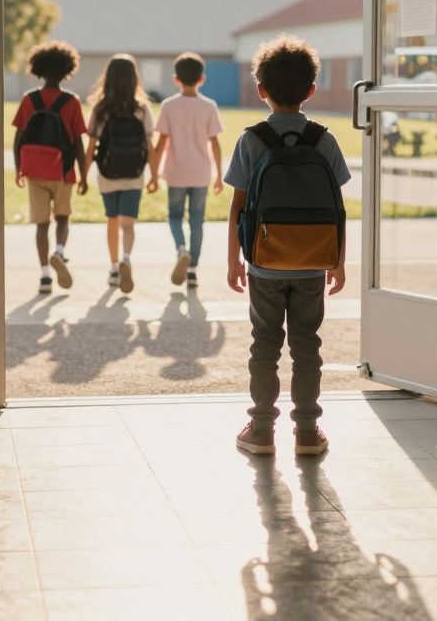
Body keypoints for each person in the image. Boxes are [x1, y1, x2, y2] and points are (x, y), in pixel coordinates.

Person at [225, 36, 350, 456]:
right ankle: (308, 433)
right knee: (306, 345)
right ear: (311, 90)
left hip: (264, 264)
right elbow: (337, 209)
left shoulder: (251, 139)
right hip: (314, 262)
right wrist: (339, 262)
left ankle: (260, 430)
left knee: (264, 343)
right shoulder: (324, 140)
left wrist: (233, 262)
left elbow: (237, 209)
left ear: (261, 89)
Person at [11, 40, 89, 295]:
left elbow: (18, 139)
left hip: (34, 171)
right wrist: (84, 175)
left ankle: (45, 276)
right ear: (67, 70)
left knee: (41, 224)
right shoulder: (72, 102)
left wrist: (18, 169)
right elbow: (78, 142)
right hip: (63, 171)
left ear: (38, 69)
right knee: (63, 218)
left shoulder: (28, 100)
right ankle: (60, 252)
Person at [147, 52, 224, 288]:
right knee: (197, 221)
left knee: (174, 216)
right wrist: (219, 175)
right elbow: (215, 143)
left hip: (176, 172)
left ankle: (181, 249)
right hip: (200, 173)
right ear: (202, 79)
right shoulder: (208, 106)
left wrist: (153, 175)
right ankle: (192, 271)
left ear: (175, 79)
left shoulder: (169, 106)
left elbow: (160, 145)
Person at [86, 54, 155, 295]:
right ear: (134, 79)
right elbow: (150, 147)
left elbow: (91, 145)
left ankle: (114, 268)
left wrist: (83, 175)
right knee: (128, 224)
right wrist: (154, 176)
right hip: (134, 174)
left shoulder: (101, 109)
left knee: (112, 221)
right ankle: (127, 257)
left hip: (107, 173)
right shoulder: (142, 109)